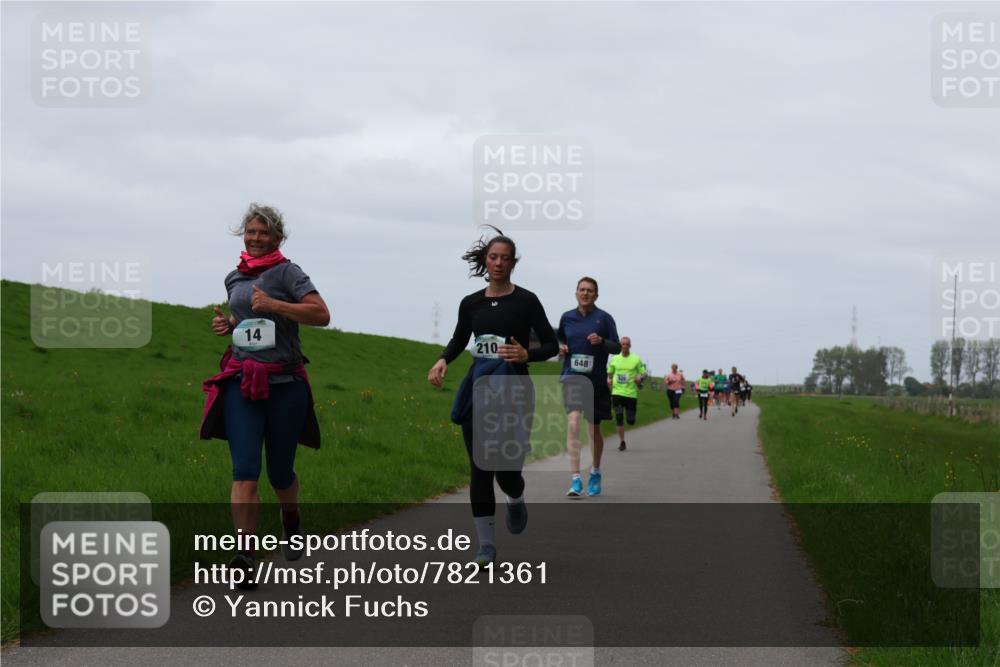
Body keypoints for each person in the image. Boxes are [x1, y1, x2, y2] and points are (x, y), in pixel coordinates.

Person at [200, 203, 330, 588]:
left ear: (278, 238)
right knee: (244, 472)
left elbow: (321, 314)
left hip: (285, 385)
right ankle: (245, 555)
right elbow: (250, 322)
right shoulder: (234, 277)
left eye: (263, 233)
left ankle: (291, 518)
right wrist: (231, 325)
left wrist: (275, 304)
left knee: (279, 471)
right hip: (243, 381)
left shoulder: (289, 272)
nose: (256, 239)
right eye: (250, 232)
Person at [427, 227, 558, 567]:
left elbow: (550, 345)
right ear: (486, 261)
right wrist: (442, 360)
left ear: (514, 263)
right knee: (480, 468)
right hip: (479, 388)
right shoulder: (471, 304)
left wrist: (527, 356)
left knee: (506, 471)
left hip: (514, 390)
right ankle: (485, 547)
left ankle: (515, 496)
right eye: (493, 257)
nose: (498, 263)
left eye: (505, 258)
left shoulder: (526, 301)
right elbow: (458, 340)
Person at [557, 277, 621, 497]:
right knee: (573, 421)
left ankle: (595, 471)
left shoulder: (604, 319)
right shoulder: (567, 317)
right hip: (572, 377)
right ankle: (575, 479)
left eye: (590, 291)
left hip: (596, 381)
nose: (585, 293)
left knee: (594, 429)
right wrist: (562, 348)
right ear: (576, 292)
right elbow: (559, 341)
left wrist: (602, 341)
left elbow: (616, 346)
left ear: (596, 295)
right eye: (582, 290)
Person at [607, 337, 647, 451]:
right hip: (617, 393)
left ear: (630, 346)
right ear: (620, 345)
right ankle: (622, 442)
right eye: (623, 344)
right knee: (619, 417)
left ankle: (631, 418)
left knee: (630, 421)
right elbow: (610, 373)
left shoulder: (636, 359)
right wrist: (609, 379)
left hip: (631, 394)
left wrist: (641, 377)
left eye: (627, 344)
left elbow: (644, 373)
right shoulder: (614, 359)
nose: (624, 346)